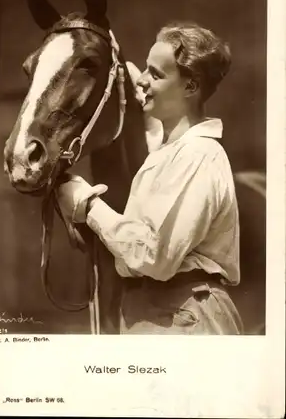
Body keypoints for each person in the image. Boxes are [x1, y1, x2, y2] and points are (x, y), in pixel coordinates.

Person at [56, 21, 244, 335]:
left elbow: (154, 256)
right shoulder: (169, 153)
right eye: (146, 69)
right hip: (151, 314)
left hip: (185, 319)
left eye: (155, 74)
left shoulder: (199, 155)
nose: (141, 80)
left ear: (190, 87)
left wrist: (88, 207)